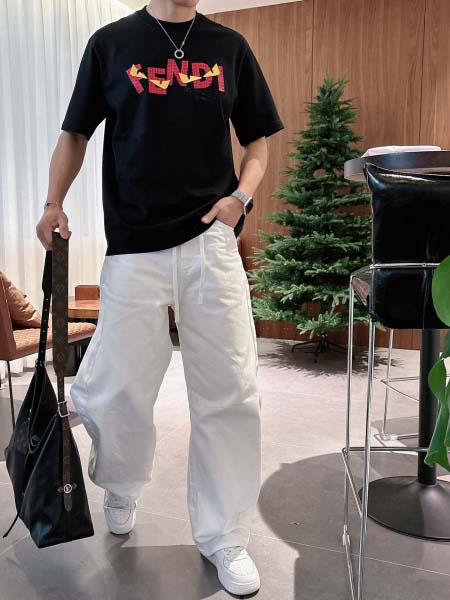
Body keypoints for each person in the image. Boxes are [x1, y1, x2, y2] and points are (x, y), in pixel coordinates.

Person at [36, 0, 284, 595]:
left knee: (231, 391)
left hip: (210, 241)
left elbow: (257, 141)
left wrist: (240, 199)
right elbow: (75, 133)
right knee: (118, 389)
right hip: (132, 245)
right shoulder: (111, 43)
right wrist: (52, 203)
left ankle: (225, 535)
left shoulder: (229, 47)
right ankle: (121, 484)